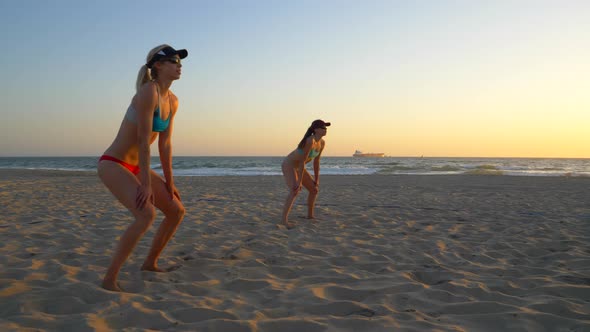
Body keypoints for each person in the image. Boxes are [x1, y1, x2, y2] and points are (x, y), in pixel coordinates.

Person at [97, 44, 188, 291]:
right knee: (146, 214)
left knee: (176, 210)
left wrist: (170, 181)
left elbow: (165, 144)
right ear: (158, 65)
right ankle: (109, 280)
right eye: (173, 61)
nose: (179, 65)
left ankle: (150, 263)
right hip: (114, 164)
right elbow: (142, 139)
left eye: (180, 61)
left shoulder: (173, 100)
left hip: (138, 166)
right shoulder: (149, 91)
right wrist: (146, 185)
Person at [281, 120, 330, 229]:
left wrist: (317, 180)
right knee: (295, 190)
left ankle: (310, 216)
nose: (325, 129)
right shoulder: (310, 141)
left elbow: (316, 162)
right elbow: (302, 161)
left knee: (314, 189)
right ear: (315, 129)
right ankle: (284, 221)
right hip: (289, 165)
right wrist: (298, 182)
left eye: (326, 127)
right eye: (323, 127)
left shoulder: (322, 143)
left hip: (298, 167)